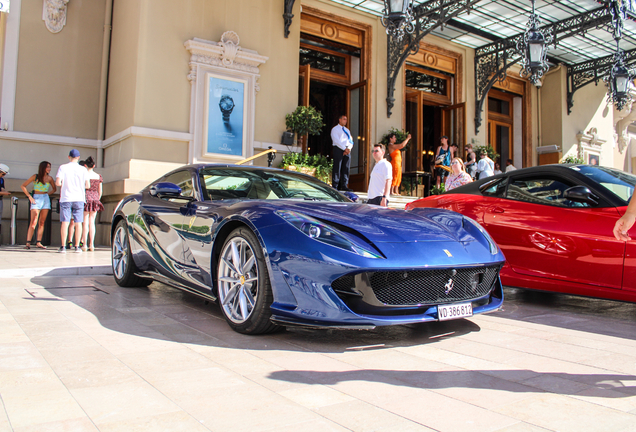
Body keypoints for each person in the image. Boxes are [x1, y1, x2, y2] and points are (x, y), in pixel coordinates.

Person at [56, 149, 90, 253]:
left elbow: (58, 182)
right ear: (78, 157)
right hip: (79, 198)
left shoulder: (63, 167)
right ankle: (77, 247)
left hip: (66, 197)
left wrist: (65, 186)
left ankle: (63, 247)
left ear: (68, 157)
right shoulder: (83, 169)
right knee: (78, 222)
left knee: (65, 222)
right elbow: (87, 185)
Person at [21, 161, 56, 249]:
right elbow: (23, 186)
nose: (49, 169)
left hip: (45, 198)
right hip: (36, 198)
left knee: (42, 222)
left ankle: (38, 241)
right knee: (33, 221)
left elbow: (54, 189)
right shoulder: (35, 177)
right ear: (43, 167)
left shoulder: (50, 178)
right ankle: (28, 242)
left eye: (49, 167)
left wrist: (47, 195)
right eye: (47, 167)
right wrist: (29, 196)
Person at [81, 156, 104, 251]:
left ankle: (84, 244)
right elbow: (100, 191)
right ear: (94, 165)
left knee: (85, 223)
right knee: (92, 223)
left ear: (85, 165)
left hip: (85, 198)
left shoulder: (84, 175)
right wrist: (97, 199)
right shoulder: (98, 176)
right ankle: (92, 244)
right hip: (95, 199)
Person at [331, 115, 354, 191]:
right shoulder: (335, 129)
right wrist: (344, 149)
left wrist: (348, 149)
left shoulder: (347, 130)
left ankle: (344, 185)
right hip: (338, 149)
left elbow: (350, 140)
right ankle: (335, 185)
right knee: (337, 167)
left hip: (347, 150)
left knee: (346, 168)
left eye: (346, 119)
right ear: (339, 120)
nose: (345, 121)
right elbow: (336, 141)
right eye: (344, 119)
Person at [0, 163, 10, 243]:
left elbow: (2, 188)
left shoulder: (1, 180)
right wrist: (4, 193)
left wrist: (4, 192)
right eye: (3, 174)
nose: (3, 175)